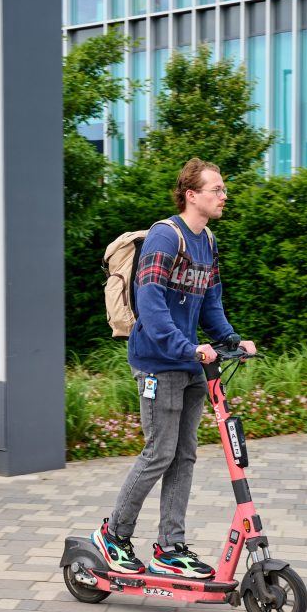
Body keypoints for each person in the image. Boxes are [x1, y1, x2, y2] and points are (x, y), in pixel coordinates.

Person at [92, 158, 256, 579]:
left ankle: (170, 546)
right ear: (191, 195)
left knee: (183, 456)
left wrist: (231, 341)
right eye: (216, 189)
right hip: (157, 362)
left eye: (222, 189)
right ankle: (113, 535)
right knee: (159, 452)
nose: (224, 196)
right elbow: (150, 304)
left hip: (191, 363)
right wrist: (188, 348)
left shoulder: (208, 242)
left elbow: (211, 304)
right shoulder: (166, 238)